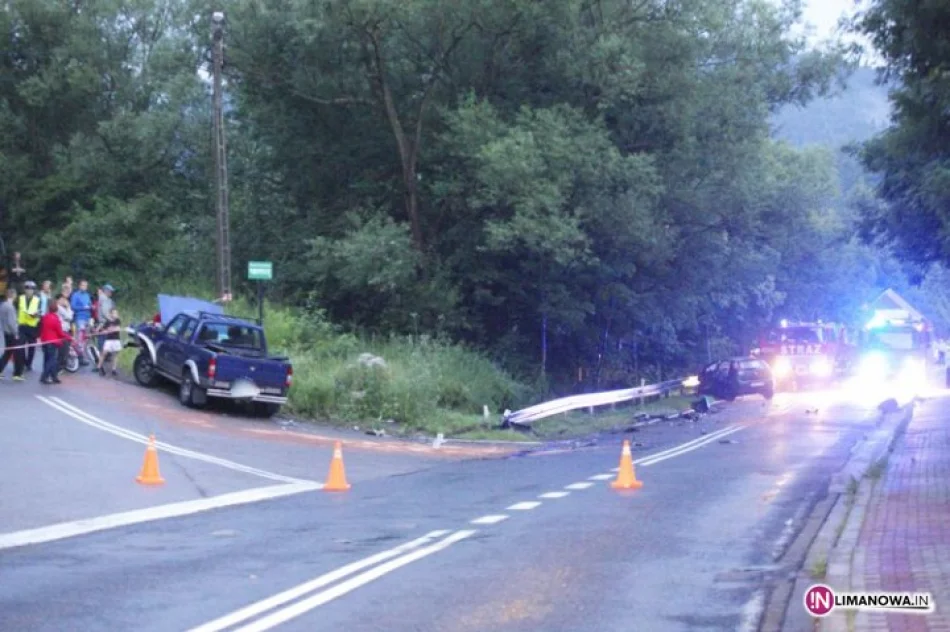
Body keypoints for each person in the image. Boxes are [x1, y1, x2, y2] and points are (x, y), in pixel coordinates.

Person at [39, 294, 71, 385]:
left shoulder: (45, 317)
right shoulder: (56, 319)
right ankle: (44, 376)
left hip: (45, 341)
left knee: (47, 359)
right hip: (52, 342)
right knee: (51, 360)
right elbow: (60, 333)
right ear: (56, 310)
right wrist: (69, 337)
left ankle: (54, 377)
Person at [0, 288, 24, 381]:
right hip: (11, 333)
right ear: (13, 295)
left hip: (6, 332)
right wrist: (16, 333)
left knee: (8, 352)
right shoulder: (10, 307)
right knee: (18, 353)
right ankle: (17, 373)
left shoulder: (3, 305)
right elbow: (11, 322)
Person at [17, 280, 41, 371]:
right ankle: (23, 362)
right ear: (25, 290)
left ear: (34, 290)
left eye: (31, 289)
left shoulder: (37, 300)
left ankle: (29, 363)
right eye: (27, 289)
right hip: (22, 326)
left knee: (32, 347)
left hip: (32, 326)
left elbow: (39, 312)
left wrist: (35, 315)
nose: (29, 290)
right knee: (21, 346)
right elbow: (16, 310)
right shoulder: (20, 298)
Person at [97, 308, 122, 377]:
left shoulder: (118, 320)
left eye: (116, 313)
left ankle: (114, 369)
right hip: (109, 340)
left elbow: (117, 328)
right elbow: (104, 330)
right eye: (114, 313)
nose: (115, 315)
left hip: (116, 340)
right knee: (104, 353)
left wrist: (110, 329)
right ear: (111, 314)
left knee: (115, 355)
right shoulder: (107, 322)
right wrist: (105, 331)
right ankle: (98, 367)